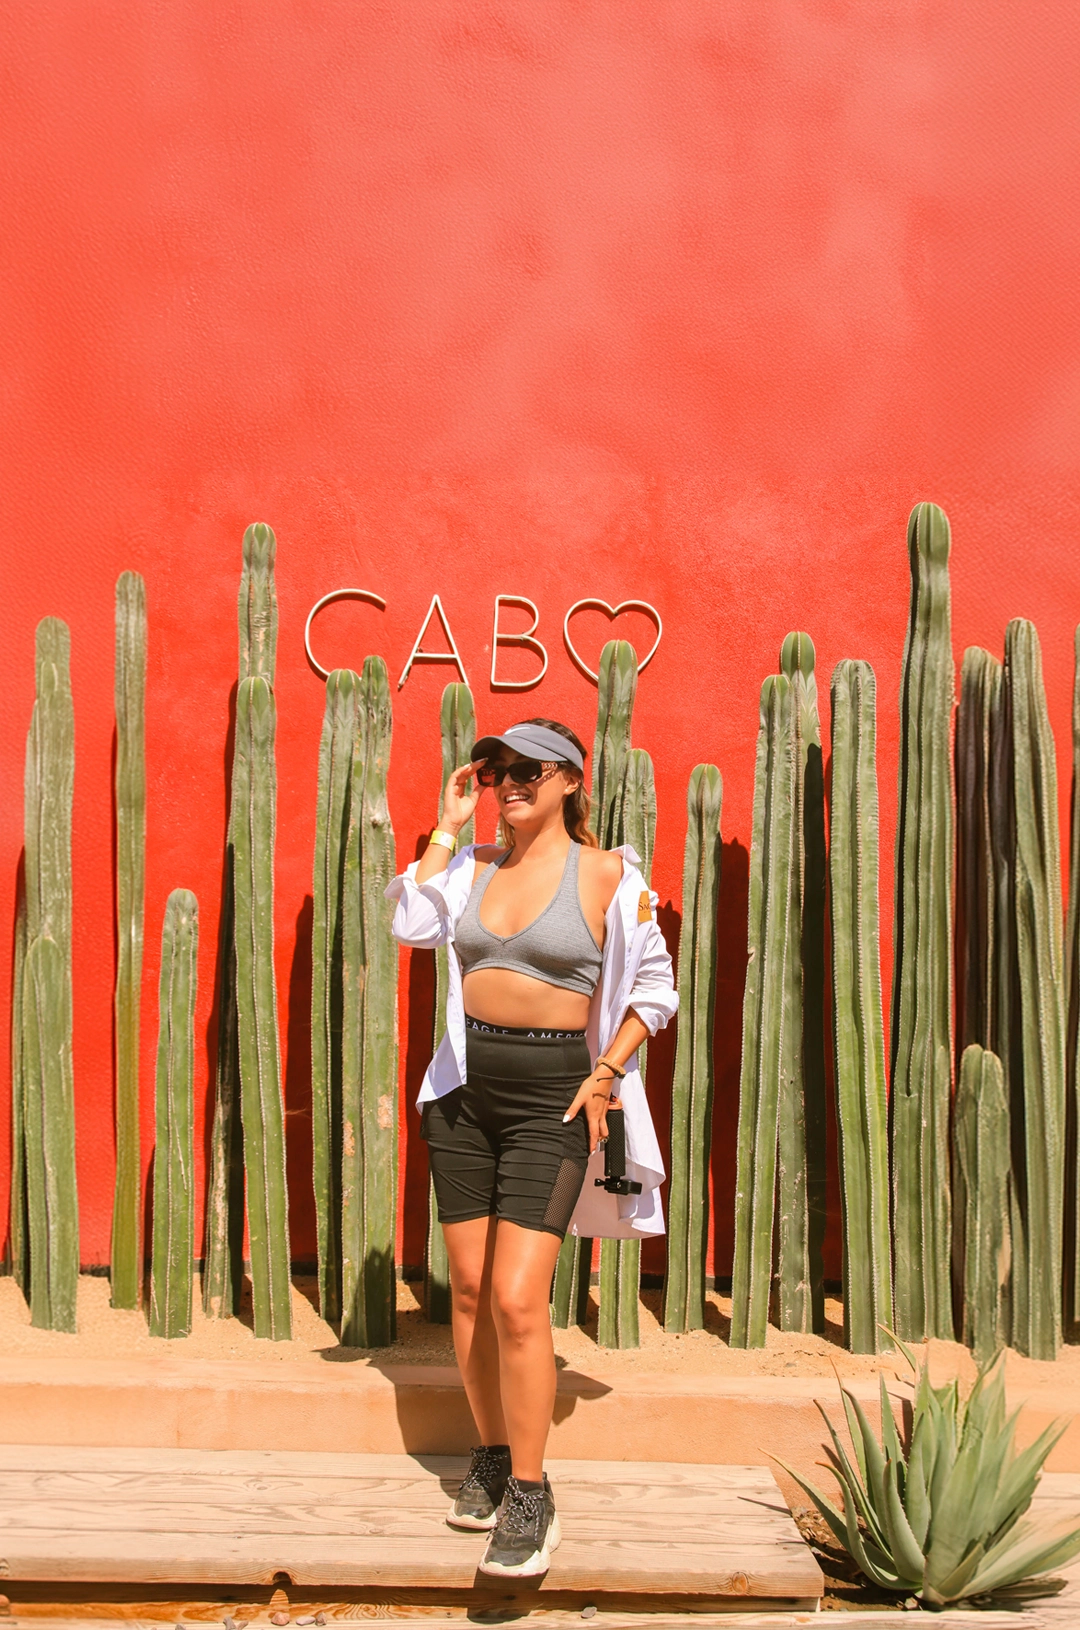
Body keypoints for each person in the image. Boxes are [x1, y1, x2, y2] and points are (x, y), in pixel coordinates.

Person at [386, 718, 677, 1577]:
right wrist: (444, 824)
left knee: (519, 1300)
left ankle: (529, 1489)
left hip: (553, 1103)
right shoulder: (470, 867)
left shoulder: (610, 875)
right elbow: (408, 920)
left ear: (570, 782)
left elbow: (654, 988)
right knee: (470, 1293)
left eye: (527, 770)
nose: (508, 783)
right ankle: (486, 1450)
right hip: (464, 1100)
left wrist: (609, 1074)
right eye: (494, 770)